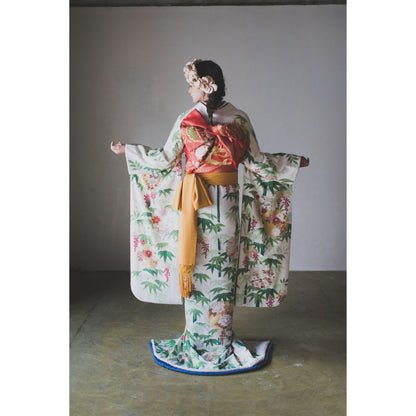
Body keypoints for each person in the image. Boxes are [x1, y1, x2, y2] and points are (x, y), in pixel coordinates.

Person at [111, 59, 309, 375]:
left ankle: (219, 338)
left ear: (205, 85)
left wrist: (292, 163)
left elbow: (254, 161)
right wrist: (129, 151)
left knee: (218, 267)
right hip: (201, 205)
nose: (189, 90)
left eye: (192, 84)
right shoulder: (195, 119)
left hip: (219, 205)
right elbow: (167, 158)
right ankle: (199, 337)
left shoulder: (230, 119)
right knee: (201, 263)